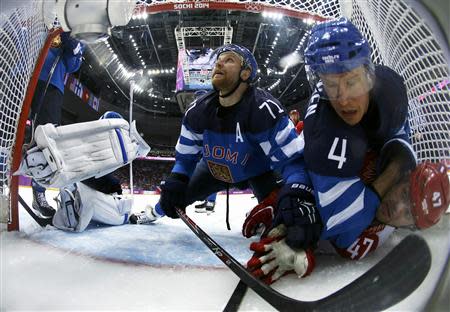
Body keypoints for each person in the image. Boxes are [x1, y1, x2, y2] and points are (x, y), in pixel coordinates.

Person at [244, 17, 449, 284]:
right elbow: (332, 213)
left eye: (351, 81)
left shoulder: (390, 97)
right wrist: (294, 203)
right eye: (331, 84)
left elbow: (340, 227)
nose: (343, 99)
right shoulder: (326, 133)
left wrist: (304, 228)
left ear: (368, 73)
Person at [149, 44, 318, 247]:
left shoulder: (264, 110)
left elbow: (293, 162)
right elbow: (185, 158)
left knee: (285, 213)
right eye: (218, 60)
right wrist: (177, 177)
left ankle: (271, 213)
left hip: (259, 172)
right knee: (174, 196)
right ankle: (152, 212)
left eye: (229, 59)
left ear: (245, 73)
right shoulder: (197, 110)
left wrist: (295, 194)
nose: (218, 62)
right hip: (213, 169)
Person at [28, 26, 84, 219]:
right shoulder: (37, 14)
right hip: (22, 77)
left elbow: (73, 65)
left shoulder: (75, 26)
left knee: (45, 139)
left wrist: (70, 38)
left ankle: (38, 192)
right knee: (8, 131)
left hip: (52, 85)